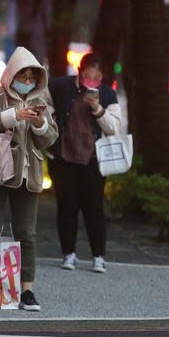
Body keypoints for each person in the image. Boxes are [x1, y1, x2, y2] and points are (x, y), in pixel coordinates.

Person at [0, 47, 58, 311]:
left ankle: (27, 290)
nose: (28, 82)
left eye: (32, 78)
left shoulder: (40, 100)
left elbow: (51, 138)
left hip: (27, 175)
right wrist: (13, 116)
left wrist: (40, 123)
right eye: (24, 76)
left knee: (27, 234)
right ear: (12, 74)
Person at [48, 53, 121, 274]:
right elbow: (46, 107)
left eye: (97, 78)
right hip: (63, 157)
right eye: (89, 76)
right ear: (80, 72)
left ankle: (98, 256)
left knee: (94, 208)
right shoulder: (60, 86)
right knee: (67, 205)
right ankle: (68, 253)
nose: (93, 81)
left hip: (94, 159)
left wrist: (98, 109)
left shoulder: (107, 94)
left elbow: (114, 128)